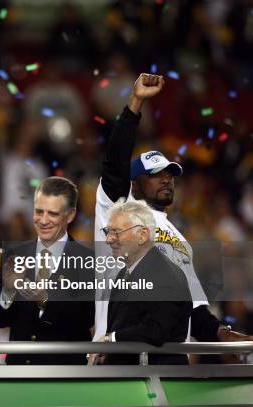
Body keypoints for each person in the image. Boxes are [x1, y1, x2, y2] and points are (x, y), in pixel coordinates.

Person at [92, 73, 252, 354]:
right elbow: (115, 164)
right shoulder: (119, 211)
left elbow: (194, 307)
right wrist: (135, 103)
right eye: (155, 175)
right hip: (120, 354)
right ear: (135, 183)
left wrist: (221, 332)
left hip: (169, 360)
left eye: (170, 174)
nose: (166, 179)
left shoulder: (180, 240)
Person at [0, 177, 94, 365]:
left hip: (65, 377)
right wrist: (8, 292)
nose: (43, 220)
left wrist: (46, 300)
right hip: (18, 376)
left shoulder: (87, 260)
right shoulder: (15, 255)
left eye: (53, 213)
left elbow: (86, 319)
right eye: (38, 211)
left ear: (70, 215)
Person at [99, 199, 192, 365]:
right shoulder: (125, 272)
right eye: (108, 231)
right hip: (130, 380)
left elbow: (156, 330)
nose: (108, 239)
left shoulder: (165, 275)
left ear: (142, 235)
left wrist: (112, 339)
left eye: (116, 232)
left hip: (160, 382)